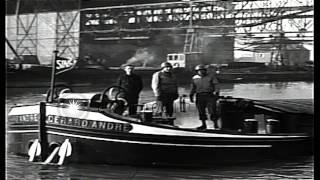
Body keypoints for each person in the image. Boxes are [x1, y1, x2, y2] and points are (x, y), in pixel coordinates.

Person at [189, 64, 220, 130]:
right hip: (199, 95)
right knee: (201, 111)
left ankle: (216, 125)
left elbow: (216, 85)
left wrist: (217, 93)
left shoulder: (211, 77)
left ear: (205, 71)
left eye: (202, 70)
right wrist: (191, 95)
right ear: (197, 71)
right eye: (199, 71)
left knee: (212, 110)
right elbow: (193, 87)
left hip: (209, 95)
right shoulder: (194, 78)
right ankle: (203, 124)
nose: (201, 72)